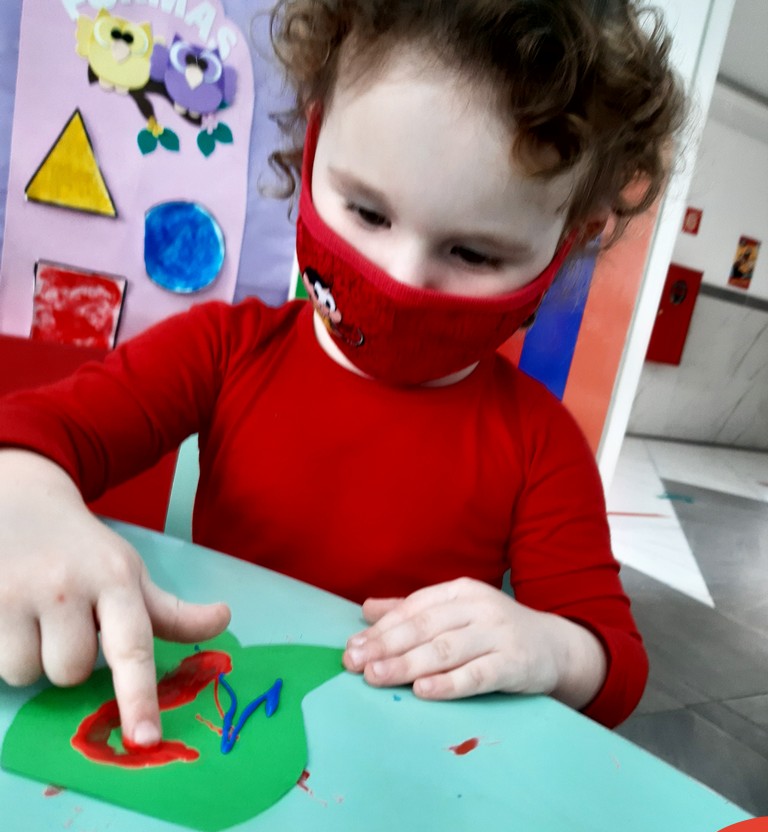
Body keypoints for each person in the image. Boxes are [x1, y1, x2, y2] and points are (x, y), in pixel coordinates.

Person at [0, 0, 685, 747]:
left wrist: (554, 649)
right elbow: (34, 432)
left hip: (401, 764)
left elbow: (616, 668)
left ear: (568, 243)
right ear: (314, 143)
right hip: (212, 725)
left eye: (473, 253)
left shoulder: (540, 443)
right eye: (367, 212)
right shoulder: (225, 348)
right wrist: (24, 498)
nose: (401, 278)